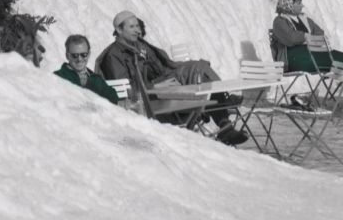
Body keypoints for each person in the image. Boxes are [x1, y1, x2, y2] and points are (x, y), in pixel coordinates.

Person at [96, 10, 249, 146]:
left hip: (162, 86)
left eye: (137, 26)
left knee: (199, 70)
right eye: (132, 27)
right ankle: (221, 108)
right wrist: (156, 87)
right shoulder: (114, 55)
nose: (137, 30)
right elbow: (126, 89)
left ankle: (223, 121)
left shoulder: (140, 46)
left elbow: (162, 68)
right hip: (150, 98)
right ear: (118, 30)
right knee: (197, 68)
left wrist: (165, 79)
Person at [268, 0, 343, 86]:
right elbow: (290, 38)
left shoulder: (304, 19)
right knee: (327, 57)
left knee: (329, 54)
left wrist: (309, 39)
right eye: (298, 2)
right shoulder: (279, 21)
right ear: (288, 4)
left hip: (310, 54)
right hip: (293, 59)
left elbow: (320, 33)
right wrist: (308, 37)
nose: (302, 5)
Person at [53, 34, 121, 105]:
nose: (79, 59)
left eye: (83, 55)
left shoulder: (95, 79)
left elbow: (115, 99)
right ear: (67, 56)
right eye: (75, 55)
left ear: (88, 55)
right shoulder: (58, 77)